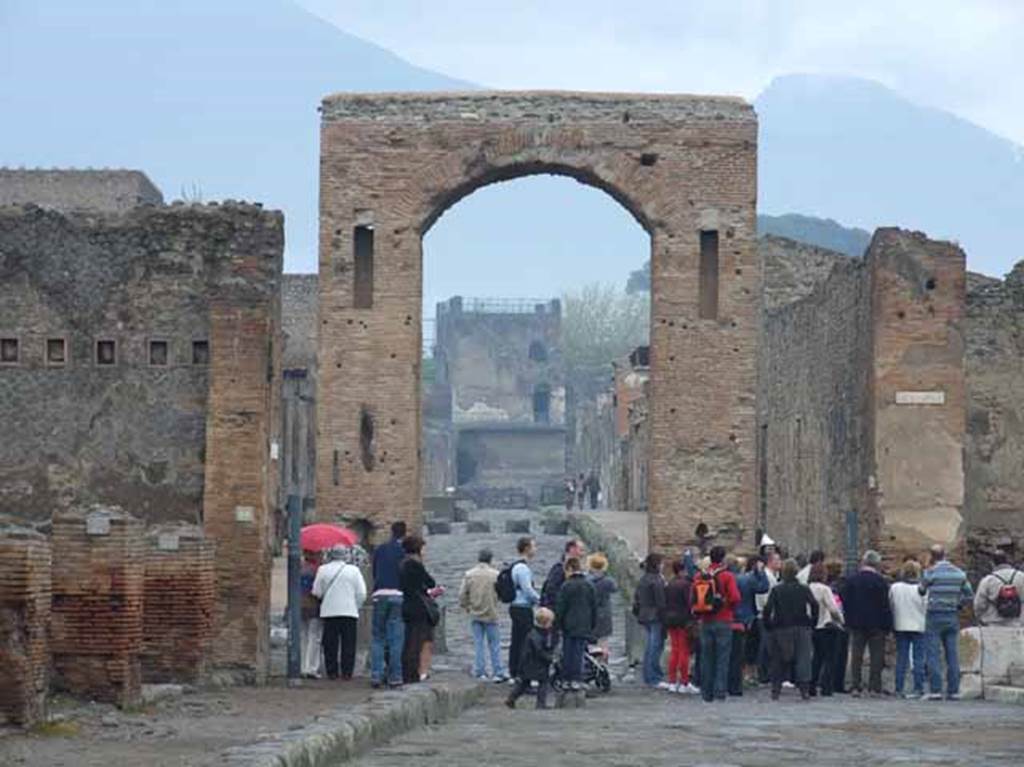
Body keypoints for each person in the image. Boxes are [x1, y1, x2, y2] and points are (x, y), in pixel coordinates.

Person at [919, 544, 973, 700]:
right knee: (952, 654)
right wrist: (958, 604)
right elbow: (969, 595)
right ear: (945, 555)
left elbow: (921, 590)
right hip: (951, 615)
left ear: (932, 556)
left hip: (934, 615)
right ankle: (954, 690)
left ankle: (936, 690)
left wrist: (927, 571)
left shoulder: (931, 572)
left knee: (933, 654)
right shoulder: (959, 574)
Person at [763, 558, 818, 700]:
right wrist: (812, 622)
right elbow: (814, 604)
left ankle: (776, 689)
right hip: (801, 625)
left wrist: (768, 624)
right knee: (803, 658)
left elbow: (768, 608)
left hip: (781, 626)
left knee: (778, 659)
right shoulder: (803, 589)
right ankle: (804, 689)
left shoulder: (777, 589)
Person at [312, 545, 368, 681]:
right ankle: (347, 672)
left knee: (330, 643)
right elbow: (362, 592)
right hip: (349, 611)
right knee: (348, 643)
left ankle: (332, 672)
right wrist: (356, 606)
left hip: (329, 611)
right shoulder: (353, 570)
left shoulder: (323, 570)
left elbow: (316, 591)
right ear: (346, 555)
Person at [840, 550, 892, 697]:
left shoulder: (852, 580)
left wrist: (848, 619)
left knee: (857, 655)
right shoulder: (881, 582)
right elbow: (885, 605)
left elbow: (845, 601)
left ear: (863, 562)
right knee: (877, 656)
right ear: (877, 564)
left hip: (857, 622)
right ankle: (874, 687)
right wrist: (888, 624)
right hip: (877, 623)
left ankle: (855, 685)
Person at [694, 545, 741, 702]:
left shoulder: (699, 576)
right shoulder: (727, 576)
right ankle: (719, 690)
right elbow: (735, 597)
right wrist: (727, 606)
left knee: (706, 657)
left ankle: (706, 691)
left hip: (705, 620)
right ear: (722, 558)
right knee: (722, 658)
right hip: (724, 619)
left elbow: (692, 599)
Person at [459, 547, 508, 682]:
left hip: (475, 613)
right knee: (494, 644)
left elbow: (462, 594)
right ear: (490, 559)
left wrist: (467, 606)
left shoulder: (469, 574)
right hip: (491, 613)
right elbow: (502, 593)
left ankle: (480, 671)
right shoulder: (495, 575)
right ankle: (498, 671)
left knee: (478, 643)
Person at [400, 535, 443, 683]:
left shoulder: (402, 563)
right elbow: (429, 582)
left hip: (407, 604)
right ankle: (413, 673)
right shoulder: (414, 564)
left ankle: (410, 671)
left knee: (411, 638)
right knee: (418, 639)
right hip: (417, 607)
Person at [370, 521, 407, 688]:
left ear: (391, 532)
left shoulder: (380, 549)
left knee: (378, 637)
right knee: (395, 639)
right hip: (397, 595)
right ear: (404, 533)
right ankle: (395, 676)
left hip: (380, 594)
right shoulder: (403, 552)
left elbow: (374, 571)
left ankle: (376, 675)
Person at [555, 556, 597, 690]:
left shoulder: (566, 585)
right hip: (584, 624)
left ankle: (566, 679)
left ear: (570, 569)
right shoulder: (589, 585)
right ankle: (577, 679)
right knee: (579, 653)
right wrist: (592, 624)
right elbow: (594, 607)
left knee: (568, 652)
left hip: (568, 624)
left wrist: (558, 623)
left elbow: (561, 607)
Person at [506, 608, 559, 709]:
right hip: (536, 663)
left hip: (528, 663)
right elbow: (539, 651)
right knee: (543, 683)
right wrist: (550, 658)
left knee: (524, 684)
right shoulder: (537, 636)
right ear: (545, 623)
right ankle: (540, 704)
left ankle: (511, 698)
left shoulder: (534, 633)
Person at [889, 559, 927, 699]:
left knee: (901, 658)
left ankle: (899, 688)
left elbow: (892, 605)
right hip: (918, 625)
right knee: (918, 658)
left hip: (900, 624)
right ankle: (918, 687)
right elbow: (926, 606)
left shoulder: (895, 587)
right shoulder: (922, 589)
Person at [733, 555, 770, 695]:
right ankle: (744, 676)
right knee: (748, 648)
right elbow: (763, 587)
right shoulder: (748, 579)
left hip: (737, 616)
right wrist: (761, 572)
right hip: (747, 616)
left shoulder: (735, 578)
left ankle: (743, 675)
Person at [807, 562, 844, 697]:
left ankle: (811, 684)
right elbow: (833, 608)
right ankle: (826, 686)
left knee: (816, 657)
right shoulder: (824, 589)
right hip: (826, 625)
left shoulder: (807, 587)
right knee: (829, 658)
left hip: (813, 626)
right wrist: (841, 620)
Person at [633, 552, 668, 688]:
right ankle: (654, 677)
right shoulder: (656, 580)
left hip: (644, 614)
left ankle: (648, 675)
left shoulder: (644, 579)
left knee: (649, 646)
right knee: (655, 646)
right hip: (655, 616)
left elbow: (637, 597)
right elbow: (660, 601)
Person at [508, 536, 541, 679]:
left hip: (516, 606)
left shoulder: (517, 566)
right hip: (522, 608)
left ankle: (514, 671)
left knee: (517, 640)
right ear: (527, 548)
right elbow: (527, 589)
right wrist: (541, 600)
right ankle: (522, 672)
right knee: (524, 641)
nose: (536, 549)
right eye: (534, 546)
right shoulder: (522, 568)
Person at [663, 559, 697, 693]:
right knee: (684, 651)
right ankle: (684, 682)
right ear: (683, 570)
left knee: (675, 650)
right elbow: (689, 603)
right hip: (683, 620)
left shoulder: (669, 584)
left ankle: (671, 681)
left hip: (671, 619)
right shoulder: (686, 585)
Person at [973, 550, 1024, 627]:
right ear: (1007, 561)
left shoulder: (988, 580)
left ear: (992, 563)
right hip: (1018, 623)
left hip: (994, 623)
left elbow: (979, 604)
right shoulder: (1021, 576)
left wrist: (979, 617)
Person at [754, 550, 782, 684]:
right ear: (770, 562)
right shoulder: (767, 577)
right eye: (777, 560)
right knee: (766, 645)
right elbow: (765, 597)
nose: (780, 563)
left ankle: (765, 673)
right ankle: (763, 673)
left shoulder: (772, 576)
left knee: (767, 644)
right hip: (765, 614)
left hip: (767, 613)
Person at [825, 560, 850, 693]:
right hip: (840, 622)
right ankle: (837, 684)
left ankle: (825, 681)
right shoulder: (843, 585)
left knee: (826, 655)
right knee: (840, 655)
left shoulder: (826, 585)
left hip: (825, 623)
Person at [586, 553, 618, 657]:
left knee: (589, 643)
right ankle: (603, 666)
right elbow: (615, 588)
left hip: (589, 613)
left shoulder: (587, 580)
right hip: (604, 614)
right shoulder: (607, 581)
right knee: (603, 643)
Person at [300, 550, 325, 679]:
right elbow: (318, 591)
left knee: (303, 636)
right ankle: (312, 667)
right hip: (314, 606)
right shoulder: (318, 570)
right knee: (315, 637)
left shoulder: (298, 568)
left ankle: (302, 666)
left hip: (299, 605)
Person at [541, 539, 585, 609]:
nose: (583, 554)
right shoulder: (559, 568)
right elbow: (551, 590)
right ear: (572, 549)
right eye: (581, 550)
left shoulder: (580, 570)